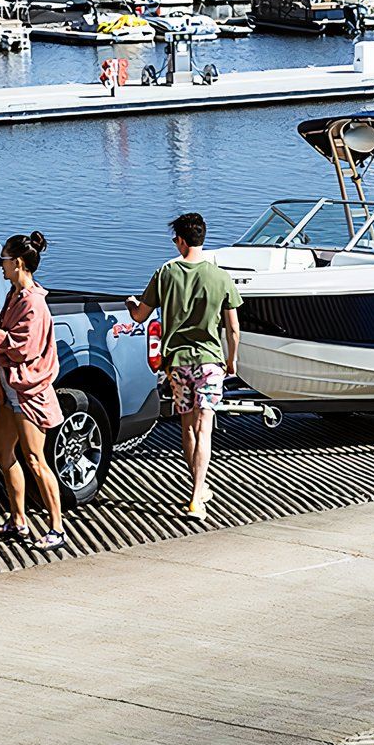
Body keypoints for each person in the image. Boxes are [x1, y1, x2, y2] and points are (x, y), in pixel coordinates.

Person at [127, 212, 241, 517]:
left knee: (188, 428)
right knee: (205, 429)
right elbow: (233, 329)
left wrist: (130, 304)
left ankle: (197, 489)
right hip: (210, 363)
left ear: (180, 240)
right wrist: (231, 361)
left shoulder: (166, 273)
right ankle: (196, 497)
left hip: (177, 364)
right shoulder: (220, 277)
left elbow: (140, 315)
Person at [0, 232, 67, 551]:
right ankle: (18, 520)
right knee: (3, 454)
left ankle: (57, 529)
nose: (1, 266)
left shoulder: (34, 303)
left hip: (28, 394)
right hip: (9, 391)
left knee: (35, 459)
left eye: (3, 260)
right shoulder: (15, 294)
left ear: (18, 263)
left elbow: (22, 350)